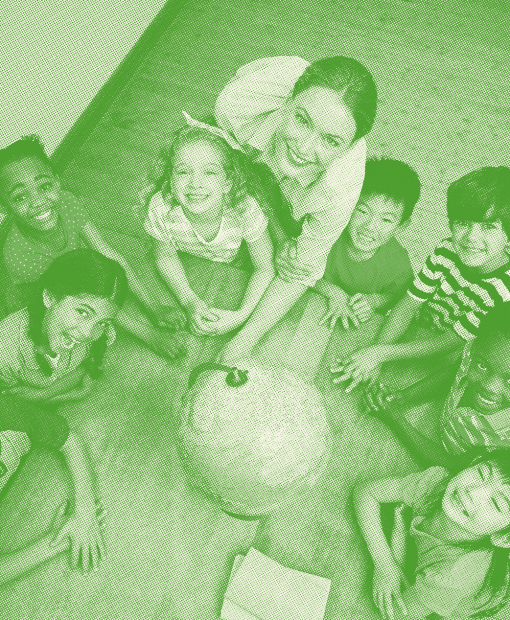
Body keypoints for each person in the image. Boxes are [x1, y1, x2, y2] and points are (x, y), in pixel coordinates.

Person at [213, 55, 377, 362]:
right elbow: (238, 165)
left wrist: (240, 344)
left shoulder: (340, 186)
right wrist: (275, 230)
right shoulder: (236, 107)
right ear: (287, 100)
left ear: (349, 146)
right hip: (245, 145)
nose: (304, 147)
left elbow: (302, 270)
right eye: (302, 119)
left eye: (330, 140)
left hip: (291, 188)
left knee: (290, 259)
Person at [0, 248, 129, 582]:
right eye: (83, 313)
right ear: (49, 297)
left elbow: (61, 432)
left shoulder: (87, 337)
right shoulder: (8, 346)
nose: (88, 332)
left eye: (98, 322)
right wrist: (56, 541)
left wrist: (83, 511)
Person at [0, 135, 186, 359]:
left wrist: (154, 306)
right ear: (5, 208)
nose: (38, 201)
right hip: (43, 298)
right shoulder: (19, 256)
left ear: (57, 181)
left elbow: (106, 252)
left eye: (45, 186)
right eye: (20, 197)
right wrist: (150, 335)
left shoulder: (67, 202)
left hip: (76, 270)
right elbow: (84, 299)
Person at [332, 166, 510, 393]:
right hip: (418, 327)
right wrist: (377, 351)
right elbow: (408, 304)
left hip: (451, 356)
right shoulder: (447, 250)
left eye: (489, 227)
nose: (471, 238)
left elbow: (449, 342)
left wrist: (379, 354)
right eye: (463, 223)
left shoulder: (504, 290)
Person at [143, 114, 275, 336]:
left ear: (227, 183)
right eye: (183, 171)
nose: (195, 183)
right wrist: (190, 301)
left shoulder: (244, 208)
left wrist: (240, 315)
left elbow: (264, 267)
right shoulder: (161, 208)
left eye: (210, 172)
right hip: (189, 268)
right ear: (171, 181)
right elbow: (164, 256)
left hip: (237, 268)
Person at [354, 450, 510, 619]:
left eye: (497, 503)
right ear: (475, 461)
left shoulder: (456, 576)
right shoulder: (437, 483)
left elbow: (397, 613)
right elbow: (365, 492)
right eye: (481, 473)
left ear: (503, 538)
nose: (472, 492)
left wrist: (398, 539)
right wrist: (384, 561)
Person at [363, 302, 510, 471]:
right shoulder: (474, 350)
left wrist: (395, 418)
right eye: (482, 366)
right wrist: (404, 397)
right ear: (475, 345)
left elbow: (454, 465)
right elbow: (455, 373)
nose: (489, 387)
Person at [315, 157, 419, 330]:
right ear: (349, 205)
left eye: (386, 220)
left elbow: (400, 298)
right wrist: (332, 292)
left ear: (401, 226)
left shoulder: (398, 264)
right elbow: (296, 268)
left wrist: (375, 301)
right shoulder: (326, 232)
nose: (370, 227)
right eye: (362, 211)